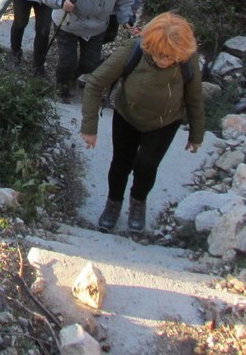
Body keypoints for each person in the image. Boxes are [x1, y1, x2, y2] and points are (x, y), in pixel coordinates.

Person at [80, 12, 205, 234]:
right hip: (127, 115)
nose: (164, 61)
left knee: (147, 165)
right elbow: (95, 83)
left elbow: (194, 98)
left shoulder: (187, 58)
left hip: (165, 121)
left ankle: (138, 203)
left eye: (170, 57)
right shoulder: (133, 50)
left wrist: (196, 134)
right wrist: (89, 127)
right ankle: (113, 204)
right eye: (159, 55)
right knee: (121, 162)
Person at [40, 0, 134, 100]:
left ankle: (71, 79)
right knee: (67, 62)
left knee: (90, 64)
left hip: (97, 27)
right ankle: (62, 91)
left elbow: (125, 2)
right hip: (68, 24)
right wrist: (62, 1)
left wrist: (126, 20)